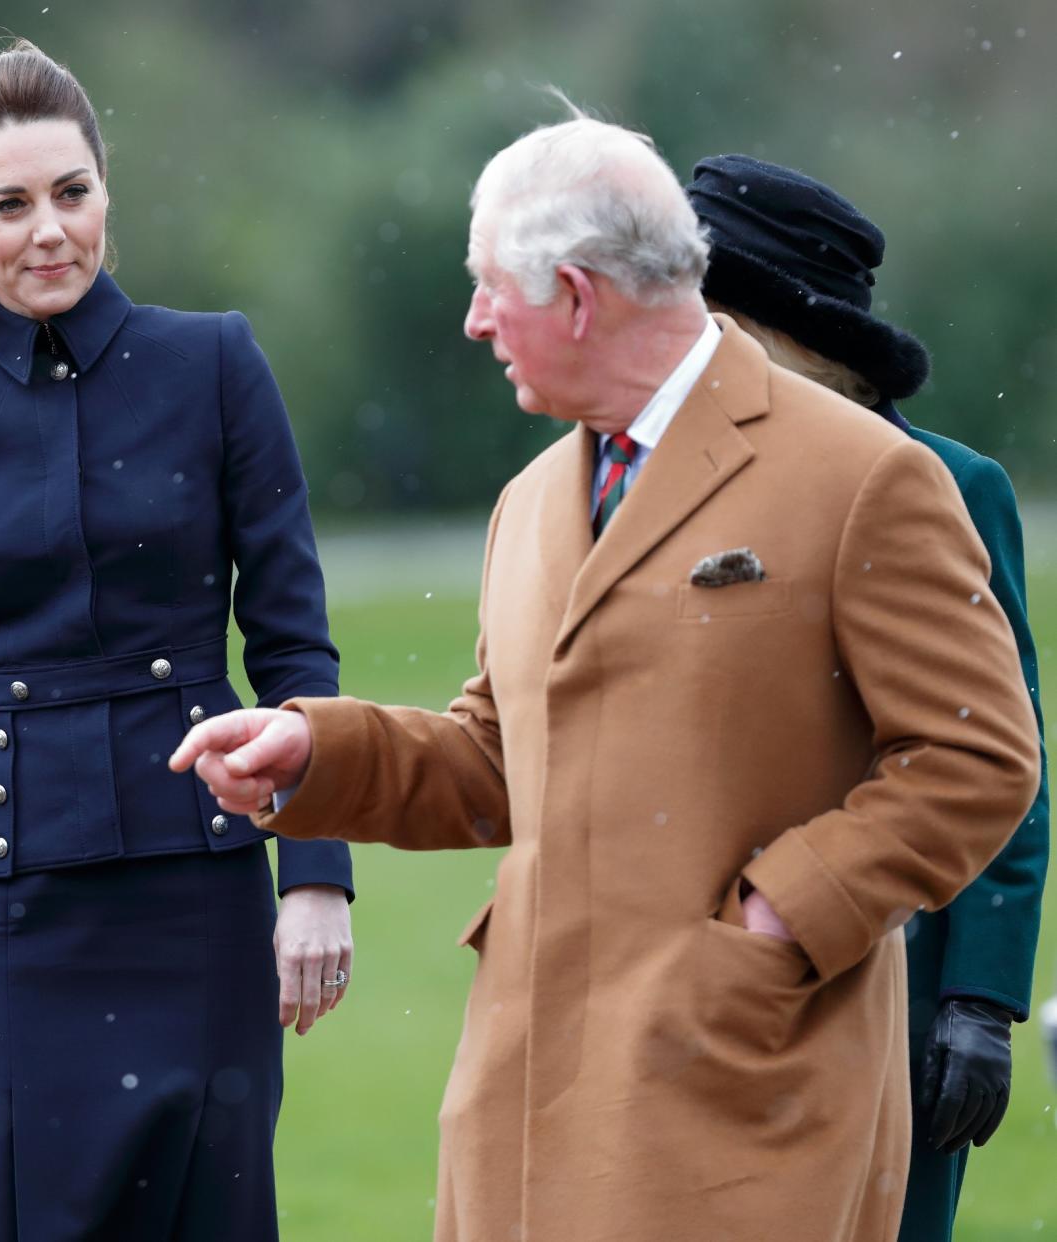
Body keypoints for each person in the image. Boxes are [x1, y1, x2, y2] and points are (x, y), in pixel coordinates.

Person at [170, 102, 1041, 1242]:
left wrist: (780, 920)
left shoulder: (868, 474)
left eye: (493, 286)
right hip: (527, 1094)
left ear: (578, 295)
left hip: (750, 1097)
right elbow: (496, 757)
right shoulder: (528, 503)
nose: (476, 320)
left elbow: (977, 754)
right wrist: (319, 753)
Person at [0, 40, 353, 1242]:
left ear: (104, 193)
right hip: (12, 916)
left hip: (203, 894)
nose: (49, 231)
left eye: (71, 193)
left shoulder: (215, 364)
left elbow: (294, 649)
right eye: (11, 206)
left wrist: (315, 879)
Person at [684, 151, 1049, 1242]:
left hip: (897, 964)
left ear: (769, 332)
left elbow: (999, 751)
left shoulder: (948, 483)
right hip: (705, 962)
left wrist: (980, 995)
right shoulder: (664, 481)